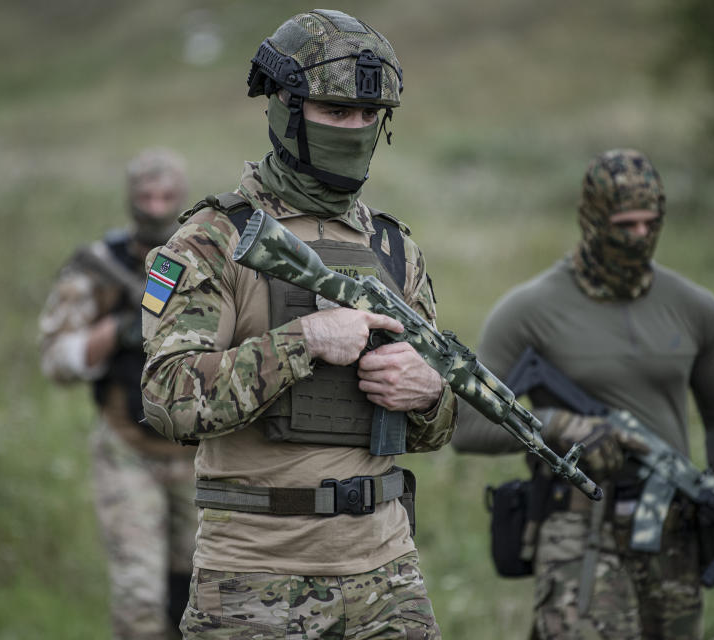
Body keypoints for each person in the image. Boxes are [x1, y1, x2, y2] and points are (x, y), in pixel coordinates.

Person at [139, 10, 456, 639]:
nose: (357, 129)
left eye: (371, 117)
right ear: (287, 111)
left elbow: (437, 427)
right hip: (253, 580)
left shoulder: (394, 248)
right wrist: (302, 342)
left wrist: (429, 393)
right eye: (337, 112)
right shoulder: (212, 240)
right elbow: (166, 398)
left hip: (387, 575)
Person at [452, 149, 714, 640]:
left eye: (651, 223)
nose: (640, 237)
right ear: (592, 219)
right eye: (626, 223)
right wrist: (563, 427)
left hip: (671, 529)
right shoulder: (529, 310)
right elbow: (465, 424)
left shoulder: (695, 308)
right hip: (577, 526)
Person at [39, 148, 197, 640]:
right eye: (146, 196)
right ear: (131, 200)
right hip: (128, 450)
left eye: (167, 196)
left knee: (202, 601)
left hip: (201, 456)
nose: (156, 206)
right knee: (140, 604)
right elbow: (56, 360)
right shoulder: (98, 268)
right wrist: (113, 333)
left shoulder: (208, 260)